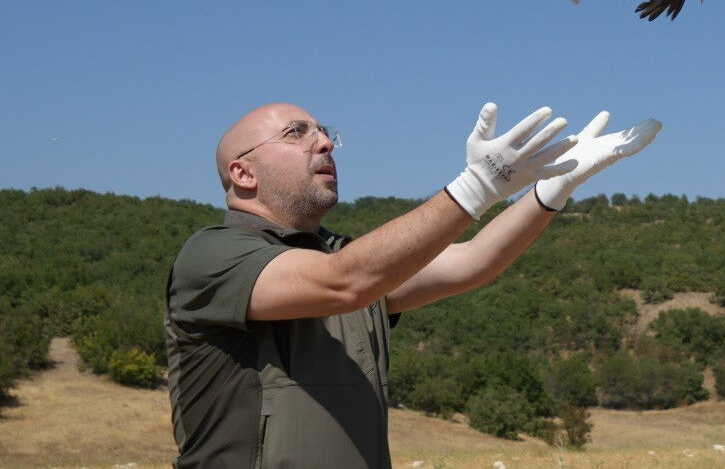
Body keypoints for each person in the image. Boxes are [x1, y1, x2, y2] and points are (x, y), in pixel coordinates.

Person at [165, 100, 659, 468]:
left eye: (324, 132)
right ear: (242, 173)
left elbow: (473, 262)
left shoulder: (343, 259)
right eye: (296, 133)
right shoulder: (211, 256)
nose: (325, 142)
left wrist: (554, 187)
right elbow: (344, 283)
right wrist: (479, 184)